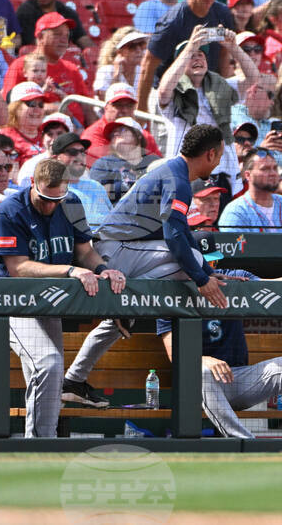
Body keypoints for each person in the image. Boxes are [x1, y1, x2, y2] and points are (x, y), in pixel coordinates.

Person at [62, 125, 229, 403]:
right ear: (210, 154)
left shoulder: (175, 171)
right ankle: (126, 304)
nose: (220, 161)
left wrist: (210, 273)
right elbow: (175, 238)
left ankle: (73, 381)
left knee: (116, 322)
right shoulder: (178, 179)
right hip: (115, 251)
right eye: (220, 155)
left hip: (125, 250)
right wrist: (202, 279)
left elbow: (183, 233)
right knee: (193, 261)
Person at [0, 158, 127, 436]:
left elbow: (84, 251)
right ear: (33, 184)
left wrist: (103, 269)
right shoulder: (10, 209)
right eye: (45, 198)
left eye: (58, 199)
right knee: (48, 363)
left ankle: (45, 442)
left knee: (51, 374)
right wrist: (70, 271)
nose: (51, 205)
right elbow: (18, 268)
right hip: (15, 302)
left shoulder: (72, 203)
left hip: (50, 302)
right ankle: (38, 446)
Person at [157, 233, 282, 438]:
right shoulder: (170, 289)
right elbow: (175, 355)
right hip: (196, 386)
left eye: (213, 260)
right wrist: (204, 360)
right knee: (201, 372)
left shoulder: (233, 278)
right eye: (203, 261)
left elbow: (275, 285)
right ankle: (245, 443)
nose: (210, 266)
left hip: (237, 378)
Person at [155, 26, 261, 195]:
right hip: (187, 172)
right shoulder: (175, 93)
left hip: (221, 169)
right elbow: (163, 91)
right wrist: (190, 46)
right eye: (192, 56)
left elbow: (253, 78)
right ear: (181, 63)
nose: (197, 58)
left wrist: (233, 47)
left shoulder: (221, 86)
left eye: (201, 54)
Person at [137, 0, 237, 112]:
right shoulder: (174, 21)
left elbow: (223, 54)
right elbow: (148, 64)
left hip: (206, 94)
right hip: (170, 96)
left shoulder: (222, 13)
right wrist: (142, 108)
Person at [3, 13, 95, 129]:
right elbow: (11, 107)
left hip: (76, 133)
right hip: (41, 134)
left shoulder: (71, 68)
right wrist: (55, 109)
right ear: (41, 37)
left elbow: (87, 107)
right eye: (57, 35)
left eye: (66, 36)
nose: (64, 40)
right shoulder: (21, 66)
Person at [81, 83, 162, 166]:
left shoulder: (144, 135)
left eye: (129, 106)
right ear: (106, 107)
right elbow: (107, 168)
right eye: (118, 105)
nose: (125, 110)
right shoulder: (92, 136)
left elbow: (159, 166)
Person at [47, 131, 113, 231]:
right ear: (56, 158)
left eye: (83, 152)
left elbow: (112, 220)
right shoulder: (52, 190)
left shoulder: (95, 186)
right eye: (72, 152)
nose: (79, 156)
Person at [219, 148, 282, 231]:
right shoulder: (235, 212)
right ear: (247, 175)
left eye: (275, 168)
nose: (273, 173)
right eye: (265, 169)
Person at [88, 117, 159, 203]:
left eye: (122, 130)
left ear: (138, 135)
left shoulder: (154, 162)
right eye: (113, 134)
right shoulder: (103, 164)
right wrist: (124, 185)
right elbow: (94, 196)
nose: (116, 134)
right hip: (116, 213)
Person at [0, 82, 47, 165]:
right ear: (15, 107)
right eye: (32, 104)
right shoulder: (4, 136)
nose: (37, 110)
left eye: (41, 105)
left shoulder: (49, 133)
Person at [92, 28, 149, 97]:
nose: (139, 50)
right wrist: (117, 75)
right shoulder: (106, 71)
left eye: (141, 44)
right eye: (132, 46)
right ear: (119, 51)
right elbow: (104, 99)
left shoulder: (142, 71)